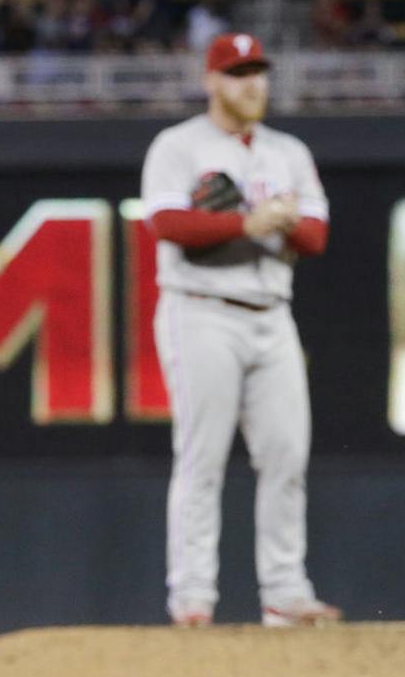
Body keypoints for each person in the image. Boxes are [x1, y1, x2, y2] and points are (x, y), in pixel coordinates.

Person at [141, 32, 339, 629]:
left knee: (286, 455)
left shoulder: (289, 152)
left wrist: (273, 222)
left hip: (271, 312)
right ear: (210, 81)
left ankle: (285, 591)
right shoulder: (178, 146)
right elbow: (166, 222)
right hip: (199, 309)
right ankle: (193, 599)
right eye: (236, 72)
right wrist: (246, 221)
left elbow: (316, 236)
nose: (252, 82)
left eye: (258, 70)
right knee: (201, 458)